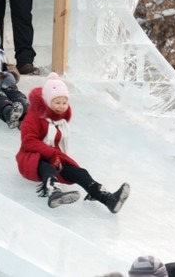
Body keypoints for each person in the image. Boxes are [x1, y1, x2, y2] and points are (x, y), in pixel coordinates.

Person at [16, 72, 130, 211]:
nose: (61, 106)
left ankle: (107, 198)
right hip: (32, 157)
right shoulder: (34, 116)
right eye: (57, 102)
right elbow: (28, 141)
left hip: (55, 157)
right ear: (46, 101)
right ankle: (53, 191)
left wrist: (55, 156)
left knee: (80, 173)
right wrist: (51, 154)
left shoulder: (58, 120)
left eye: (64, 103)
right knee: (47, 167)